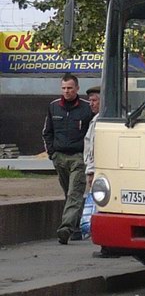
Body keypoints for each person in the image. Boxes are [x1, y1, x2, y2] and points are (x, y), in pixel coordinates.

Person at [42, 73, 95, 244]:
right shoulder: (54, 107)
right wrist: (52, 153)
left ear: (77, 89)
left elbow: (92, 135)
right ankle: (77, 227)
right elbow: (47, 132)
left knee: (74, 193)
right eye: (64, 88)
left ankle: (65, 229)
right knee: (69, 194)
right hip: (60, 157)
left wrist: (88, 157)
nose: (67, 91)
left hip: (79, 158)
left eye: (70, 88)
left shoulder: (87, 108)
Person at [83, 86, 101, 190]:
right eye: (90, 101)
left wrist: (91, 171)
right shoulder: (95, 119)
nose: (91, 104)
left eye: (94, 100)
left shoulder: (100, 121)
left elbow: (93, 148)